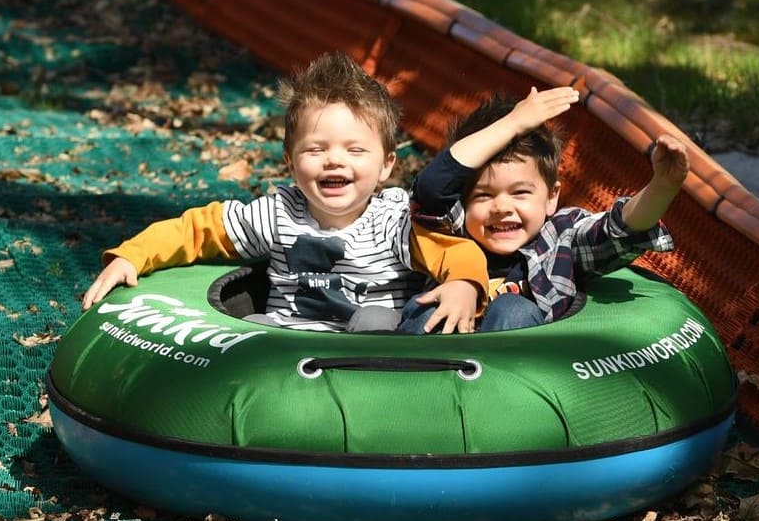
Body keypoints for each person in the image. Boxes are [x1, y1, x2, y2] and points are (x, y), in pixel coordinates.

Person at [81, 52, 485, 333]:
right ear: (291, 163)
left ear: (386, 166)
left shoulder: (393, 221)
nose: (334, 161)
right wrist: (131, 256)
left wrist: (465, 286)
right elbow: (197, 230)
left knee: (376, 320)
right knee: (250, 332)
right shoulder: (278, 213)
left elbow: (452, 250)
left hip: (368, 354)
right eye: (316, 149)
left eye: (355, 150)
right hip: (286, 350)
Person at [402, 86, 689, 332]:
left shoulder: (559, 238)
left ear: (552, 197)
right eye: (483, 195)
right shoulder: (454, 231)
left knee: (513, 309)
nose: (502, 207)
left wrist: (662, 187)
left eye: (520, 193)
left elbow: (619, 229)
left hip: (512, 378)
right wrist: (512, 124)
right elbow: (431, 189)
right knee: (424, 309)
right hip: (440, 364)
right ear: (463, 200)